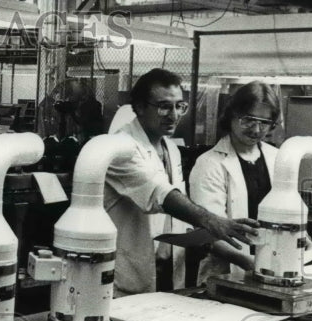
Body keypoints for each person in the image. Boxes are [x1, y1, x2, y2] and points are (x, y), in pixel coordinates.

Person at [105, 68, 258, 296]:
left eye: (179, 106)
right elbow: (160, 194)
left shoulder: (171, 149)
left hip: (168, 271)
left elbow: (178, 220)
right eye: (164, 106)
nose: (174, 115)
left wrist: (240, 257)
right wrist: (212, 220)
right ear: (138, 107)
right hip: (129, 271)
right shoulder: (119, 147)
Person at [189, 81, 281, 285]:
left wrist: (302, 240)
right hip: (226, 274)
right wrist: (250, 263)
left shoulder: (279, 159)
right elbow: (208, 232)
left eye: (264, 122)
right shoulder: (209, 164)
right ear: (232, 115)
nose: (256, 129)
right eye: (248, 120)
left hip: (274, 267)